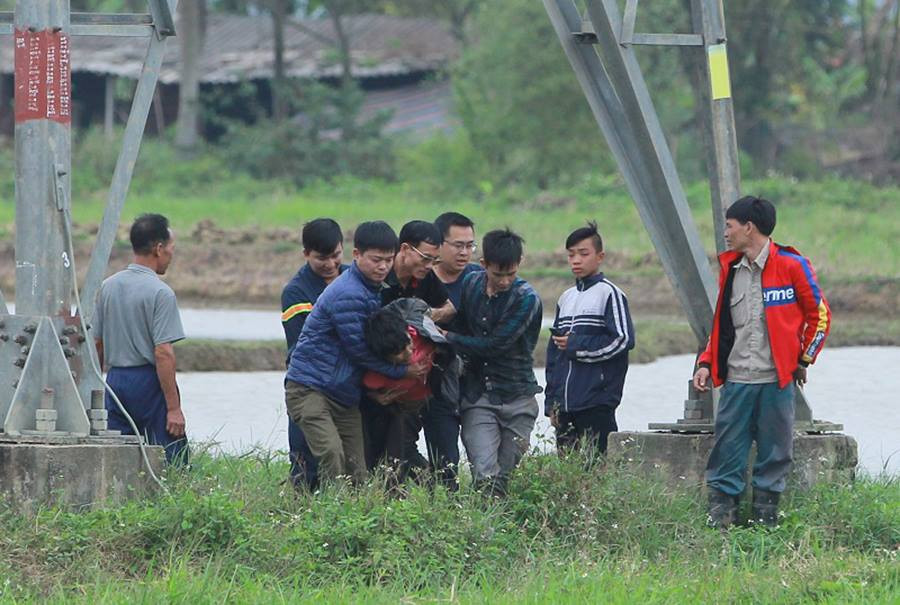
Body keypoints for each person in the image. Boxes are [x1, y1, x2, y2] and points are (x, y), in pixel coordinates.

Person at [693, 196, 831, 528]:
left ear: (748, 227)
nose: (725, 233)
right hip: (738, 380)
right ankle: (721, 523)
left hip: (776, 381)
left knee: (774, 454)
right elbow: (722, 326)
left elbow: (820, 315)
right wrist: (706, 363)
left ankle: (764, 525)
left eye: (729, 225)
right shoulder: (730, 269)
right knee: (727, 452)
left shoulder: (792, 266)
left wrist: (803, 359)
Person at [284, 221, 426, 485]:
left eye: (388, 260)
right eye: (375, 260)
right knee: (331, 455)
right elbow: (360, 351)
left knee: (357, 472)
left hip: (342, 392)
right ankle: (330, 518)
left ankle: (353, 521)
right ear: (356, 255)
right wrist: (403, 371)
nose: (383, 267)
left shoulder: (370, 288)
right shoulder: (349, 294)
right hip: (310, 388)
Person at [444, 229, 543, 496]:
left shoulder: (526, 298)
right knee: (485, 473)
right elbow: (462, 321)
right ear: (484, 264)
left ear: (519, 263)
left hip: (518, 396)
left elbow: (496, 345)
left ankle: (498, 529)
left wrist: (448, 337)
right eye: (498, 274)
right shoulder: (470, 284)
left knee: (506, 476)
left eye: (510, 273)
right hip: (479, 396)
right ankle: (485, 530)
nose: (504, 281)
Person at [93, 213, 187, 464]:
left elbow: (97, 344)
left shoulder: (107, 287)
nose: (171, 254)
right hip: (147, 381)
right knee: (172, 458)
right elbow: (163, 353)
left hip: (114, 382)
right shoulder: (160, 293)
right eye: (171, 248)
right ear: (158, 249)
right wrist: (173, 408)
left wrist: (93, 390)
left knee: (118, 458)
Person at [364, 220, 453, 473]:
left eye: (434, 261)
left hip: (408, 388)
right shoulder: (379, 278)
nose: (429, 266)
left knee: (400, 450)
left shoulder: (424, 278)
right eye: (425, 258)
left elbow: (449, 309)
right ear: (404, 249)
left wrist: (422, 318)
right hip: (374, 381)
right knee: (373, 453)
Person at [545, 221, 634, 457]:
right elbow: (553, 355)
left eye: (583, 254)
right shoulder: (566, 297)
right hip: (564, 405)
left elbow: (623, 340)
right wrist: (550, 402)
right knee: (569, 473)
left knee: (598, 467)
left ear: (600, 256)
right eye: (571, 255)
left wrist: (576, 346)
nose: (576, 260)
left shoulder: (610, 293)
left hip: (597, 401)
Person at [280, 218, 347, 490]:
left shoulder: (355, 276)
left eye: (336, 256)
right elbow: (307, 344)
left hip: (347, 386)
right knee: (304, 461)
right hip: (309, 384)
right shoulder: (296, 291)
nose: (331, 265)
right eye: (321, 258)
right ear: (305, 254)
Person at [424, 212, 483, 489]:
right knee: (444, 462)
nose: (464, 252)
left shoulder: (480, 280)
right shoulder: (423, 280)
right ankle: (445, 513)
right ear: (439, 245)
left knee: (484, 459)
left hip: (476, 383)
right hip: (435, 383)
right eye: (457, 245)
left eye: (470, 245)